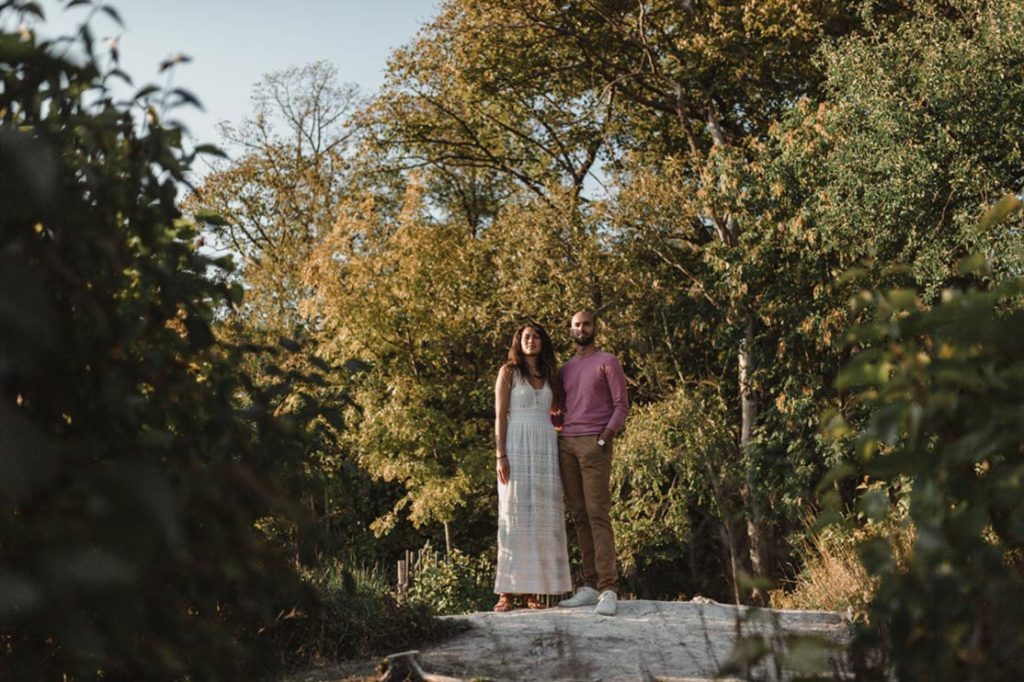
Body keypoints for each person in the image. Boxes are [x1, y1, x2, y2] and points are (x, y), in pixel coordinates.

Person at [493, 322, 572, 611]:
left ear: (542, 342)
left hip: (544, 445)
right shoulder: (509, 373)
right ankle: (507, 592)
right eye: (526, 337)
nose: (531, 341)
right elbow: (500, 416)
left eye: (536, 336)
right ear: (518, 342)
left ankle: (532, 592)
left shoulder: (551, 373)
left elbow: (559, 411)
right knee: (513, 515)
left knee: (540, 517)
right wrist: (501, 455)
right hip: (515, 443)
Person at [557, 311, 629, 616]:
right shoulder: (565, 369)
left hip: (594, 443)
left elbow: (621, 405)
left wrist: (604, 437)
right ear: (571, 331)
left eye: (586, 324)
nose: (581, 329)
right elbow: (557, 409)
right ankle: (588, 586)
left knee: (598, 514)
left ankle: (608, 589)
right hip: (567, 445)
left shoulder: (607, 361)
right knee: (578, 515)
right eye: (576, 325)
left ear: (594, 328)